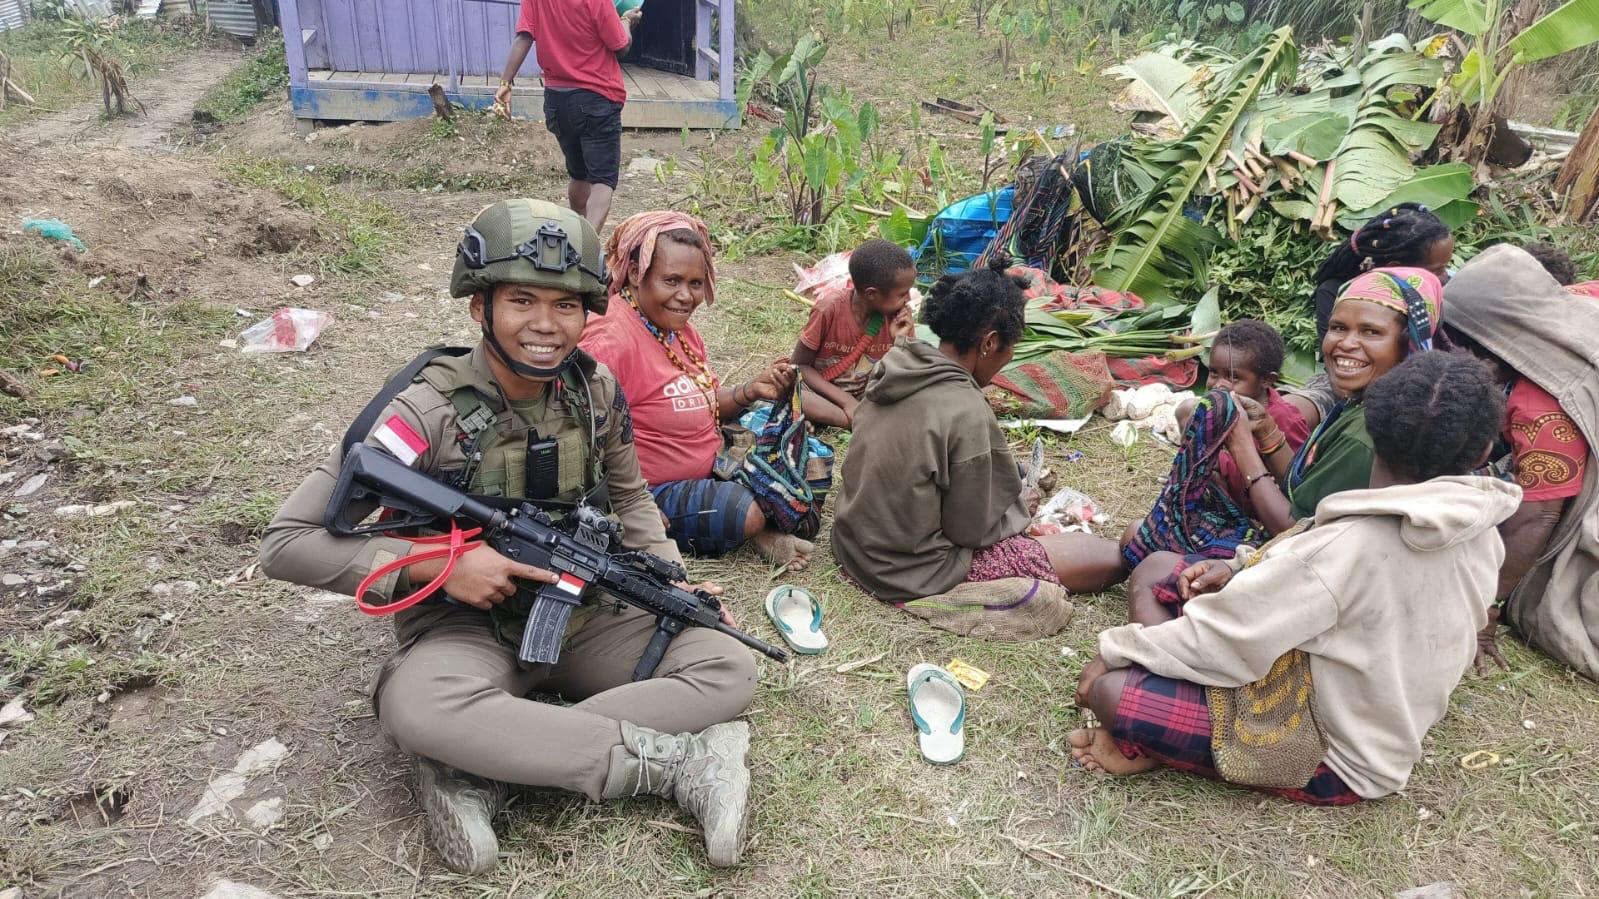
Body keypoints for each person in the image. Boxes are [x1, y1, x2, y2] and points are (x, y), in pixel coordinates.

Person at [259, 201, 758, 874]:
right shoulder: (426, 409)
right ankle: (676, 767)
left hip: (584, 611)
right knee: (419, 703)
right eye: (521, 300)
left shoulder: (594, 391)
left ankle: (483, 765)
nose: (545, 325)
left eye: (565, 305)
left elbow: (633, 497)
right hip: (464, 626)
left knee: (726, 663)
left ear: (589, 313)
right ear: (479, 308)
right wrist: (436, 560)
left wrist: (673, 578)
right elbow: (286, 543)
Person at [1070, 350, 1520, 804]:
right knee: (1160, 568)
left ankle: (1146, 745)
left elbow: (1226, 641)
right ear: (1484, 450)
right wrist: (1240, 564)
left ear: (1372, 431)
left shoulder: (1349, 546)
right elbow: (1310, 581)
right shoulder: (1480, 531)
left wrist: (1115, 653)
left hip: (1333, 757)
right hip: (1337, 694)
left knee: (1110, 692)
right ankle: (1161, 727)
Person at [832, 257, 1127, 603]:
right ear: (988, 343)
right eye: (1010, 344)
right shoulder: (966, 408)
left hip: (851, 545)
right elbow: (968, 530)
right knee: (1108, 558)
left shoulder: (894, 366)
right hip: (902, 570)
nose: (1010, 356)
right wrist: (1019, 507)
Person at [579, 211, 814, 568]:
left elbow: (704, 405)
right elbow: (582, 436)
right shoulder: (610, 341)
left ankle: (756, 521)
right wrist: (628, 510)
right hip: (650, 491)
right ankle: (757, 530)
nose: (685, 296)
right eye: (671, 281)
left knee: (813, 468)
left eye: (695, 283)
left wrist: (750, 390)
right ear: (633, 274)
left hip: (709, 463)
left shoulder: (677, 330)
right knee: (747, 513)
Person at [1443, 245, 1599, 681]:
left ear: (1496, 348)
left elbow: (1539, 515)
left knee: (1552, 609)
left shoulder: (1543, 406)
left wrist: (1486, 607)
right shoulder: (1577, 300)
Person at [1295, 204, 1454, 420]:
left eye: (1447, 265)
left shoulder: (1432, 293)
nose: (1446, 276)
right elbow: (1342, 371)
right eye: (1437, 270)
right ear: (1397, 267)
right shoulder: (1337, 295)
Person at [494, 0, 642, 231]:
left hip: (557, 101)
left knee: (579, 174)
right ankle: (586, 250)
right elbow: (621, 45)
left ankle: (575, 239)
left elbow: (524, 36)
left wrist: (505, 83)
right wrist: (626, 21)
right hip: (596, 97)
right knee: (602, 181)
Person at [790, 239, 918, 429]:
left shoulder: (898, 319)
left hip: (867, 395)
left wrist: (900, 339)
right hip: (823, 392)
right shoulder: (829, 309)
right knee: (791, 392)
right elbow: (799, 365)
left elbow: (908, 375)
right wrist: (846, 402)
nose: (908, 300)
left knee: (918, 399)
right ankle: (857, 421)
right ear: (872, 294)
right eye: (902, 294)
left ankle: (847, 419)